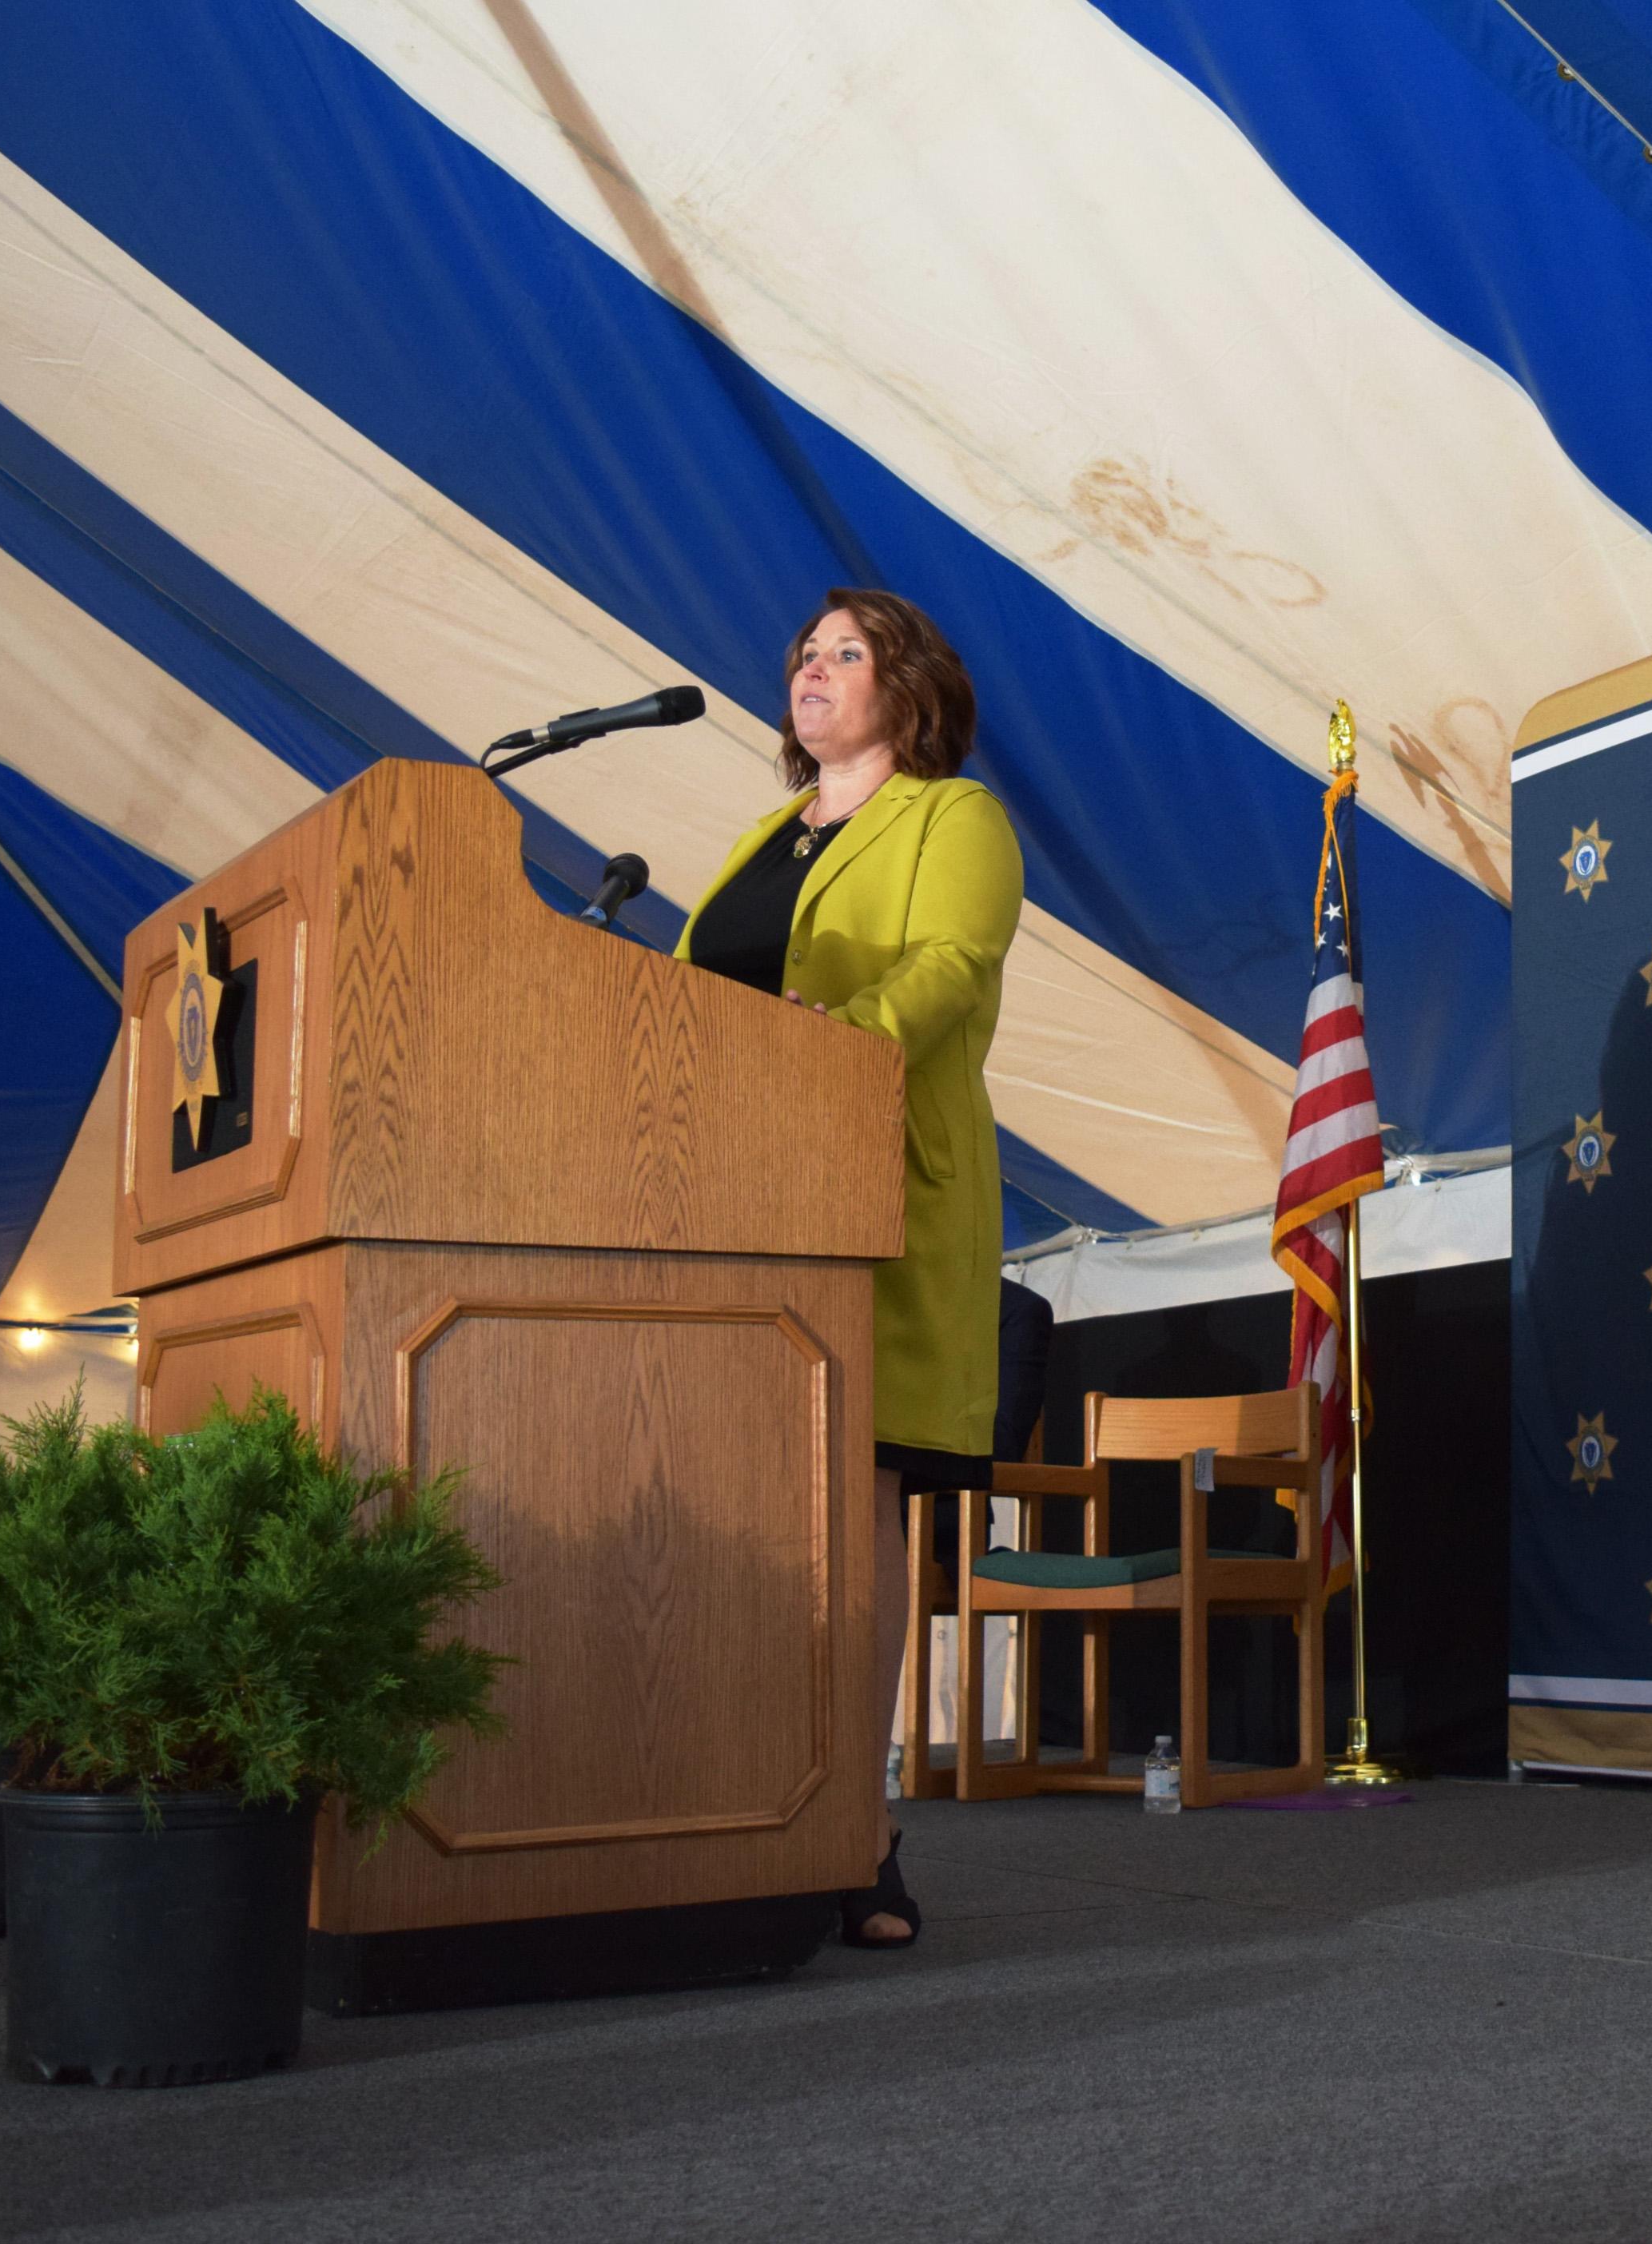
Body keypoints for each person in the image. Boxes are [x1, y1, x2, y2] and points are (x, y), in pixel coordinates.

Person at [678, 587, 1025, 1945]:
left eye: (845, 653)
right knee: (751, 1501)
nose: (811, 672)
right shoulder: (763, 837)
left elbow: (949, 964)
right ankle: (744, 1795)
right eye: (802, 656)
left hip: (872, 1184)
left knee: (850, 1481)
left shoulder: (957, 817)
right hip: (733, 1191)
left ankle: (855, 1823)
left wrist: (825, 1054)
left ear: (910, 684)